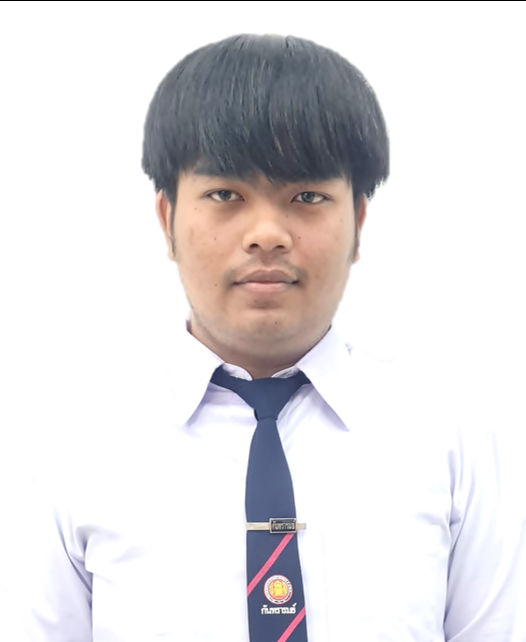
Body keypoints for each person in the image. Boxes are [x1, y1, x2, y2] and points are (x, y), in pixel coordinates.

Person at [11, 33, 525, 641]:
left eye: (307, 196)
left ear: (358, 223)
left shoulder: (455, 436)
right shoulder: (73, 448)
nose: (267, 234)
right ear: (167, 219)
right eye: (225, 194)